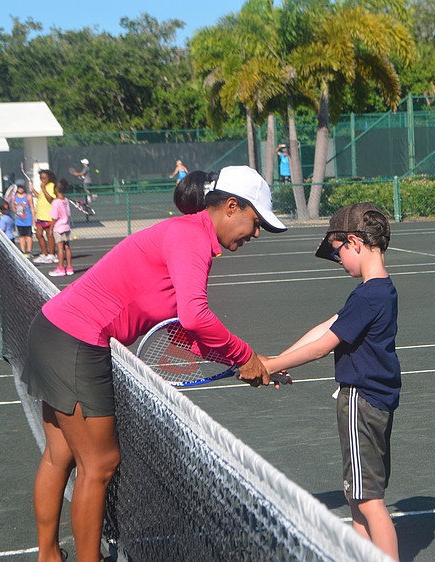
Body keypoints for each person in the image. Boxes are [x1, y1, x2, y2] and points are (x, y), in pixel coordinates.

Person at [21, 165, 287, 562]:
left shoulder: (187, 236)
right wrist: (242, 355)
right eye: (255, 220)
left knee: (60, 455)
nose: (257, 232)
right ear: (232, 207)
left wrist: (242, 360)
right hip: (75, 341)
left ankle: (48, 556)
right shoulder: (190, 238)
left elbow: (179, 331)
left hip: (53, 329)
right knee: (100, 464)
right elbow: (196, 317)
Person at [262, 202, 400, 561]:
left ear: (354, 242)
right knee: (357, 497)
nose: (338, 260)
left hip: (360, 402)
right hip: (373, 402)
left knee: (368, 501)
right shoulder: (379, 291)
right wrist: (275, 361)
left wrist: (271, 365)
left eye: (338, 252)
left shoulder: (368, 296)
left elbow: (322, 347)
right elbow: (327, 326)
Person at [48, 180, 73, 277]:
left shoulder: (55, 202)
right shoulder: (66, 200)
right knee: (67, 247)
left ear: (56, 189)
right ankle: (69, 267)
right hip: (66, 226)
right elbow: (68, 213)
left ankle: (61, 268)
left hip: (59, 227)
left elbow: (54, 217)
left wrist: (51, 228)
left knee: (60, 248)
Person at [33, 169, 58, 264]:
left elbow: (51, 199)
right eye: (41, 178)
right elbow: (41, 197)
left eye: (44, 178)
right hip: (40, 215)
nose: (42, 180)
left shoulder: (51, 186)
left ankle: (52, 254)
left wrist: (43, 189)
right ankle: (45, 254)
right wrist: (33, 190)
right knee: (38, 235)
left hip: (48, 216)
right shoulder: (43, 186)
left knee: (49, 234)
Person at [13, 179, 35, 257]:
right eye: (18, 187)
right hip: (19, 220)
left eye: (21, 187)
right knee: (21, 236)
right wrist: (16, 211)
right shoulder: (14, 197)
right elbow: (13, 207)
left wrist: (33, 220)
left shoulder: (28, 197)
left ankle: (29, 250)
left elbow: (32, 208)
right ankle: (23, 250)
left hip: (27, 220)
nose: (20, 189)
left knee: (28, 236)